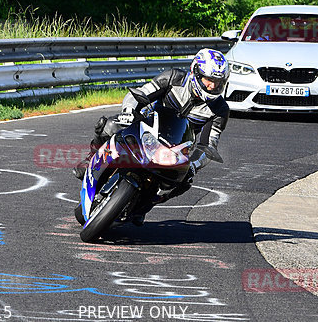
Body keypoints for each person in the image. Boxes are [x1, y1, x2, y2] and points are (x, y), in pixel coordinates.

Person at [73, 48, 231, 225]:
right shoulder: (172, 77)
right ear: (195, 72)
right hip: (146, 126)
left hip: (176, 149)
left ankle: (144, 206)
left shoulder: (220, 110)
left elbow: (208, 146)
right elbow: (139, 93)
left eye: (218, 82)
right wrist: (128, 112)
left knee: (184, 181)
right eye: (209, 80)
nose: (213, 86)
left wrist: (194, 164)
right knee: (108, 125)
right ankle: (91, 158)